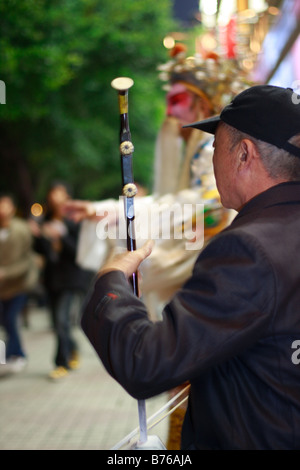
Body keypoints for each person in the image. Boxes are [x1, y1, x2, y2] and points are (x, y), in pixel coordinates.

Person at [81, 85, 300, 450]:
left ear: (244, 155)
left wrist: (111, 283)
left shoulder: (246, 249)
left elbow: (146, 363)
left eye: (215, 148)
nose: (211, 162)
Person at [32, 182, 94, 380]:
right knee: (59, 322)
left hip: (72, 278)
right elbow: (40, 250)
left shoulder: (76, 220)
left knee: (62, 319)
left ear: (68, 197)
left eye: (60, 194)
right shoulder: (46, 220)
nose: (55, 198)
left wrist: (62, 235)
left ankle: (61, 362)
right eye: (53, 194)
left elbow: (80, 251)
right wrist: (39, 236)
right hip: (52, 279)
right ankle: (73, 348)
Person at [0, 192, 38, 375]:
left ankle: (16, 355)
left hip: (19, 284)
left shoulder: (22, 229)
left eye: (5, 205)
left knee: (10, 318)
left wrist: (6, 272)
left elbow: (27, 259)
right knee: (5, 322)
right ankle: (11, 355)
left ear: (12, 208)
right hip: (1, 288)